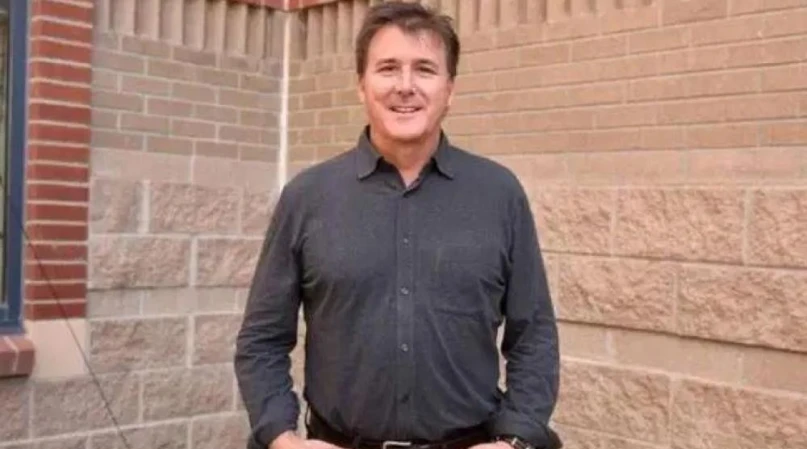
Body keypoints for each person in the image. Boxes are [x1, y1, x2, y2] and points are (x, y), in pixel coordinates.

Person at [234, 2, 562, 449]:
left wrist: (515, 441)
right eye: (388, 68)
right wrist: (283, 439)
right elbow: (261, 340)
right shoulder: (307, 197)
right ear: (361, 85)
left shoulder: (499, 194)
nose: (405, 86)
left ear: (450, 89)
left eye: (424, 69)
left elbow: (534, 336)